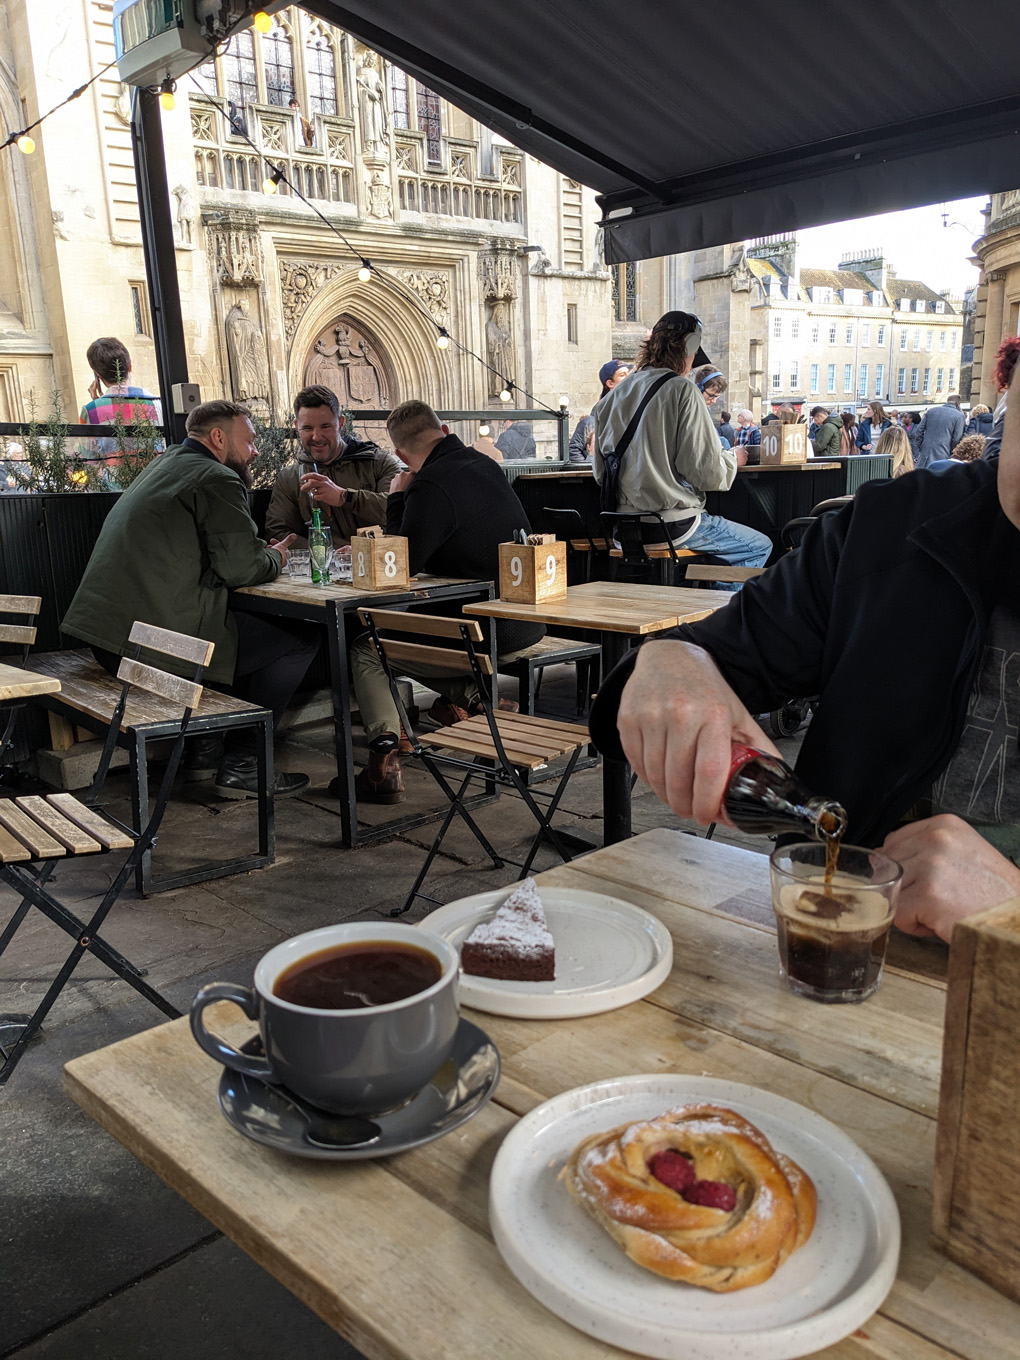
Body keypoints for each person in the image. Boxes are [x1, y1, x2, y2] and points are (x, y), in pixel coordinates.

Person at [588, 362, 1020, 945]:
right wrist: (668, 663)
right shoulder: (892, 527)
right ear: (1008, 394)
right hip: (837, 949)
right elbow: (677, 674)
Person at [62, 400, 318, 798]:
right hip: (146, 648)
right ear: (218, 438)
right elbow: (242, 569)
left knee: (235, 628)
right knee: (300, 638)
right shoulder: (217, 477)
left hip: (107, 638)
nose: (255, 452)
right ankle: (245, 765)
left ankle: (204, 752)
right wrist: (277, 555)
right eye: (249, 442)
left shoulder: (164, 465)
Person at [348, 401, 546, 803]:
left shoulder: (430, 484)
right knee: (409, 633)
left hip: (489, 634)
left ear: (401, 456)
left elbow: (399, 566)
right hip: (526, 619)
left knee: (368, 649)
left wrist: (398, 498)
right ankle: (476, 701)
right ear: (443, 428)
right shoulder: (485, 464)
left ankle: (383, 765)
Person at [592, 311, 771, 588]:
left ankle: (697, 609)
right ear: (688, 349)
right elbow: (707, 473)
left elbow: (601, 474)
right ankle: (718, 622)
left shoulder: (612, 397)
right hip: (672, 525)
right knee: (758, 546)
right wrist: (733, 460)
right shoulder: (682, 390)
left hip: (622, 529)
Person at [266, 385, 402, 548]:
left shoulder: (378, 462)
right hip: (323, 569)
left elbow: (400, 512)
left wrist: (345, 497)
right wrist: (326, 553)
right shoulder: (290, 477)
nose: (316, 437)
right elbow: (279, 532)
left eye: (325, 426)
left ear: (340, 423)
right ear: (296, 426)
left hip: (380, 564)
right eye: (307, 428)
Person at [79, 337, 163, 462]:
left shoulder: (90, 411)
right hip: (155, 478)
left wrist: (96, 405)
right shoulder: (158, 403)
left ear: (98, 375)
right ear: (130, 366)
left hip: (114, 480)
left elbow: (89, 458)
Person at [569, 360, 630, 463]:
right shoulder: (590, 422)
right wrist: (590, 469)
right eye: (622, 375)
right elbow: (573, 451)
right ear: (610, 383)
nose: (628, 378)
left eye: (629, 374)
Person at [914, 394, 965, 469]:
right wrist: (952, 453)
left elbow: (919, 430)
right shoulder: (959, 416)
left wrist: (921, 446)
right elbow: (957, 438)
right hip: (944, 455)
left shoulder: (932, 411)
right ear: (959, 404)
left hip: (924, 455)